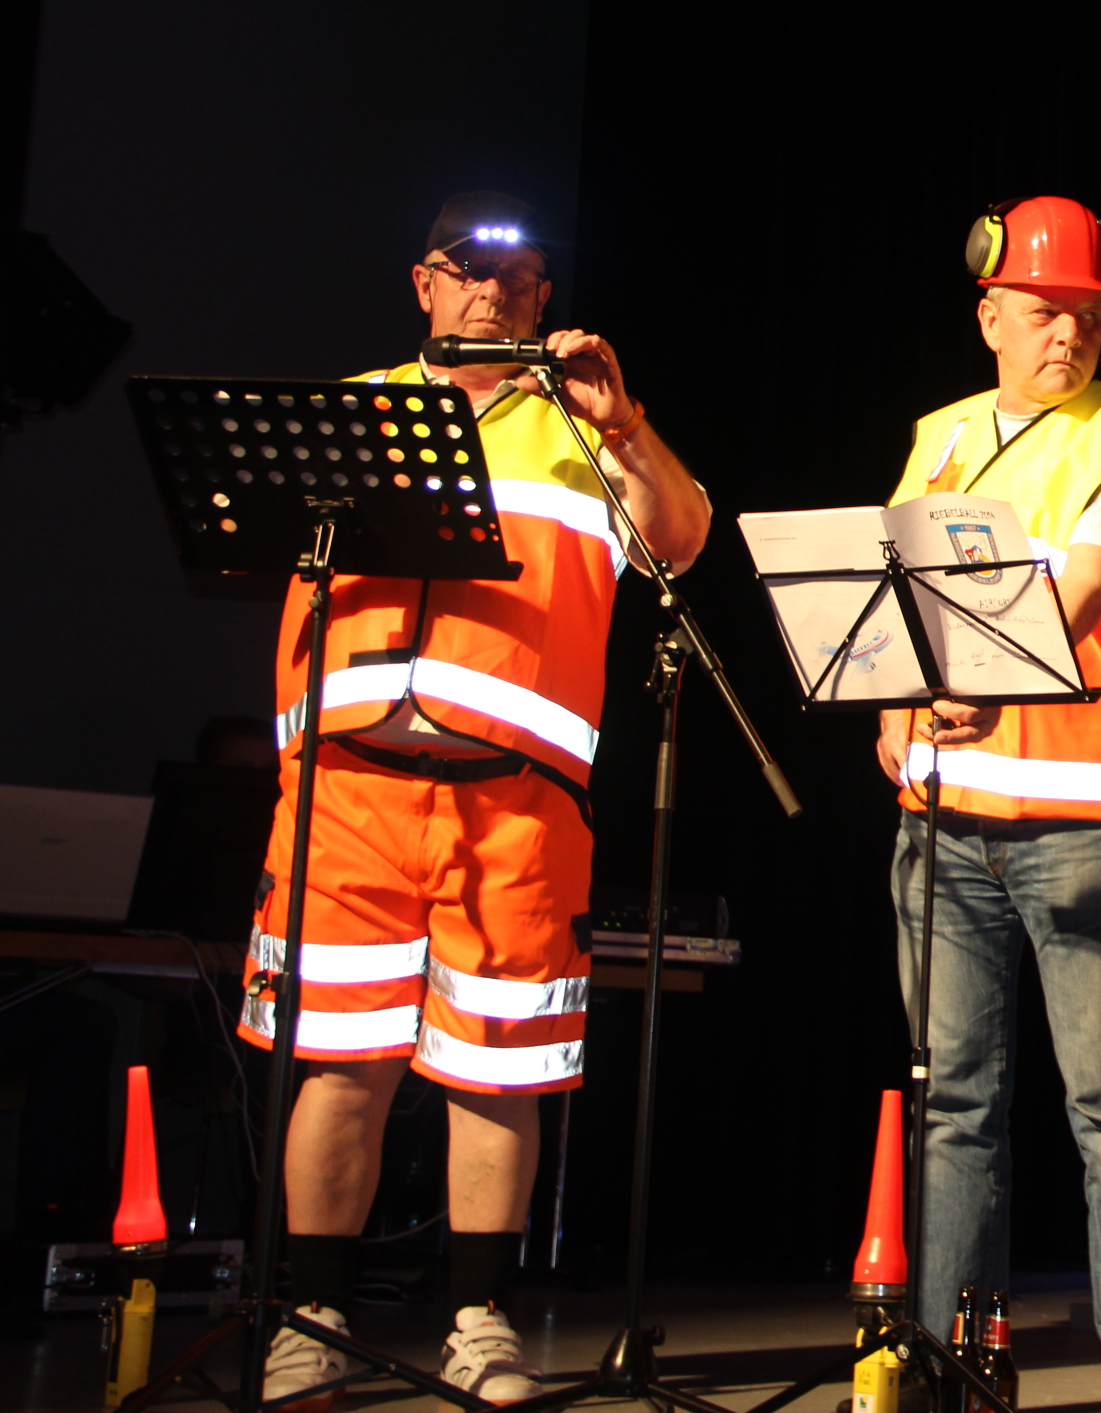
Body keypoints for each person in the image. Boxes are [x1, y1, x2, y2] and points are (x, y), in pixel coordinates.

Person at [245, 191, 710, 1409]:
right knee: (338, 1065)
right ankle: (310, 1318)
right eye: (468, 267)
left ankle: (479, 1322)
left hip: (515, 802)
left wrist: (626, 424)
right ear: (425, 282)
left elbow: (680, 540)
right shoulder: (353, 406)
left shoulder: (585, 428)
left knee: (499, 1070)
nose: (493, 289)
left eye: (518, 273)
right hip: (347, 792)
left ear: (545, 294)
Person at [876, 195, 1101, 1413]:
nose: (1071, 334)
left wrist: (965, 685)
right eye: (1048, 310)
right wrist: (891, 706)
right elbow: (892, 595)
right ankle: (949, 1350)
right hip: (946, 815)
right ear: (991, 316)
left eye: (1090, 315)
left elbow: (1078, 596)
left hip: (1084, 821)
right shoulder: (941, 436)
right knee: (954, 1102)